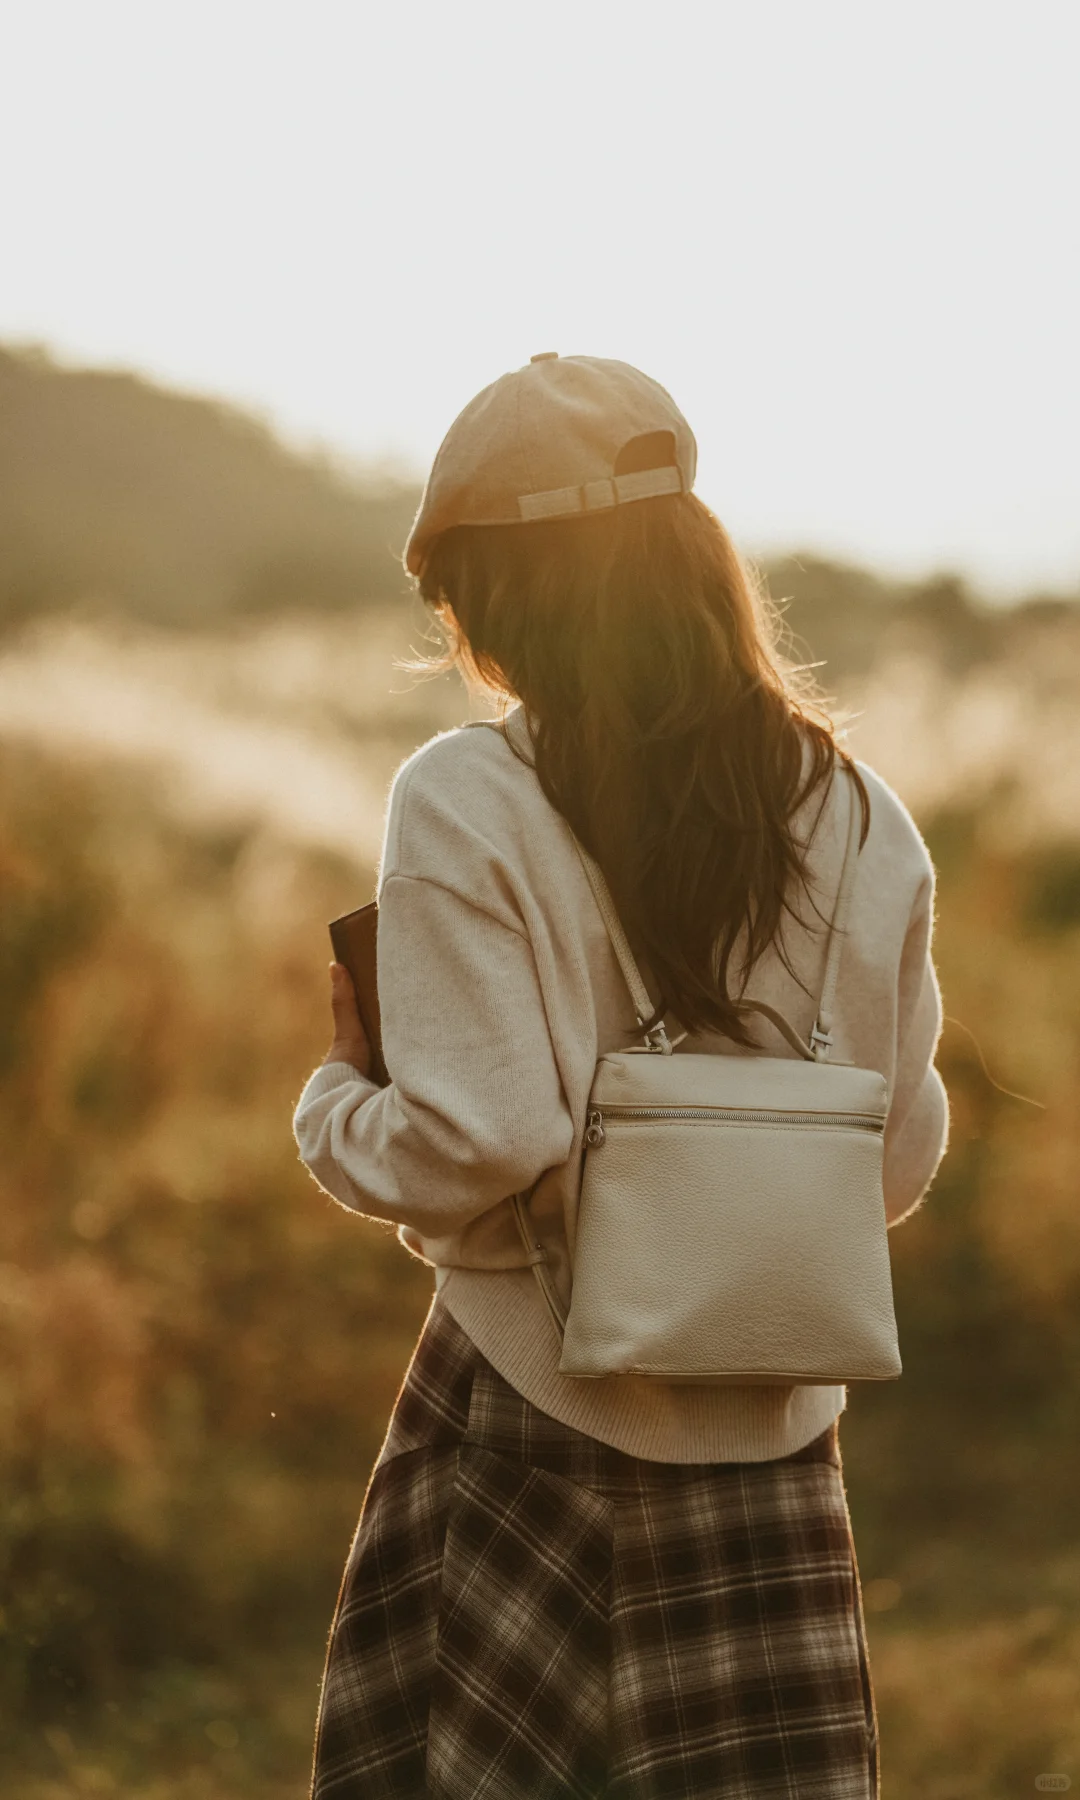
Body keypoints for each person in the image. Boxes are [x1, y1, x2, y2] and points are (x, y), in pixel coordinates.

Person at [292, 353, 948, 1800]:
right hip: (774, 1448)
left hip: (530, 1415)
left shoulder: (468, 797)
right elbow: (891, 1164)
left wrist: (336, 1106)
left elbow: (484, 1132)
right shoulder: (860, 813)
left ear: (504, 590)